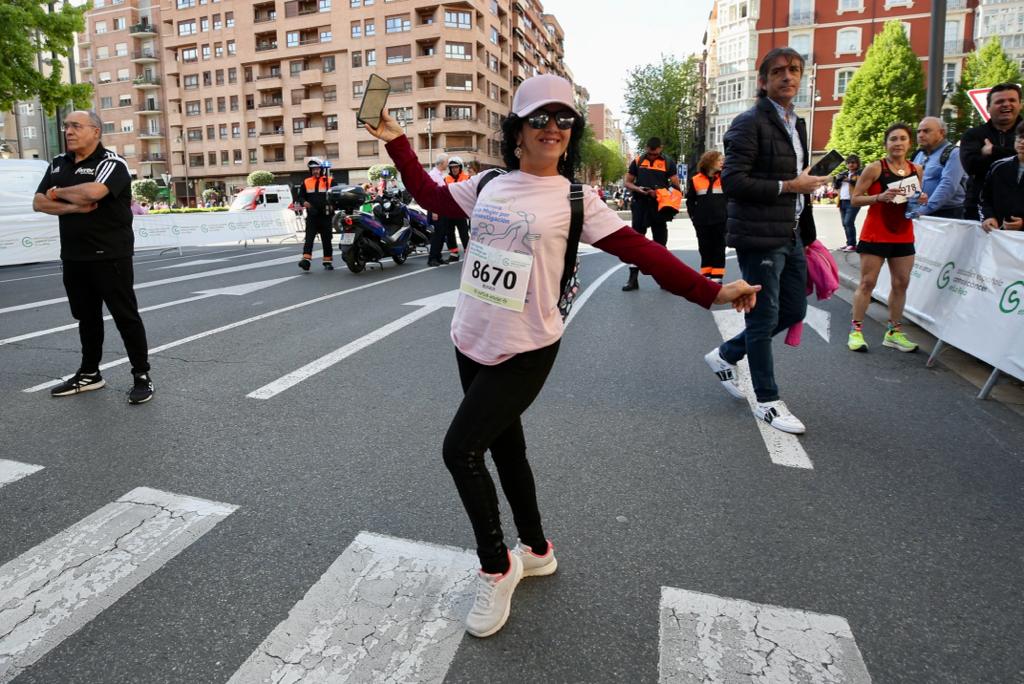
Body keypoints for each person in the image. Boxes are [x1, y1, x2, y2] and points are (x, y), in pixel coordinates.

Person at [363, 73, 759, 639]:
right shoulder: (489, 183)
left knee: (460, 450)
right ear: (517, 130)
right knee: (506, 446)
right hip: (469, 338)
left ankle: (497, 567)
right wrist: (396, 141)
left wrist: (711, 290)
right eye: (540, 119)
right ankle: (538, 547)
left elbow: (641, 250)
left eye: (564, 119)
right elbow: (431, 199)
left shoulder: (578, 199)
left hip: (527, 346)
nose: (554, 128)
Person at [702, 47, 829, 435]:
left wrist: (806, 225)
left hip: (790, 233)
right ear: (763, 82)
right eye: (778, 72)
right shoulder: (747, 123)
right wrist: (792, 185)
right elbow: (733, 181)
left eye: (794, 70)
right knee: (763, 318)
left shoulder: (798, 124)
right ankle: (768, 402)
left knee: (793, 311)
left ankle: (726, 354)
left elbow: (796, 182)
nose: (788, 77)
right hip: (759, 236)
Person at [32, 110, 154, 404]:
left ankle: (142, 376)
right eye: (66, 126)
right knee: (86, 318)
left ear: (96, 131)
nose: (68, 131)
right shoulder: (59, 162)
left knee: (125, 316)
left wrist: (59, 192)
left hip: (110, 254)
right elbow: (38, 202)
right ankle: (90, 374)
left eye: (76, 126)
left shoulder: (112, 162)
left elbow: (94, 192)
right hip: (74, 255)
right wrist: (73, 206)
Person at [847, 123, 928, 354]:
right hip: (876, 233)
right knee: (867, 283)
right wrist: (879, 197)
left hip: (903, 233)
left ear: (909, 143)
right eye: (893, 139)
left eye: (903, 138)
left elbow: (912, 200)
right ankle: (856, 331)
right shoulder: (875, 168)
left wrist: (920, 199)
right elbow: (855, 199)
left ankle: (893, 333)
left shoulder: (917, 169)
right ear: (886, 144)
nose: (898, 143)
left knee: (901, 283)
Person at [621, 137, 681, 291]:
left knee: (660, 244)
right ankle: (632, 280)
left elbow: (676, 187)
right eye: (650, 152)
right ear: (646, 148)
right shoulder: (638, 161)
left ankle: (664, 279)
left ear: (660, 148)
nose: (652, 155)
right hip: (640, 204)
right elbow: (627, 182)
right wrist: (638, 189)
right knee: (635, 243)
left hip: (659, 206)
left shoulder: (668, 162)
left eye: (655, 153)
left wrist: (659, 192)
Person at [960, 82, 1023, 221]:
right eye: (1000, 101)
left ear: (1020, 104)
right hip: (978, 211)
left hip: (1019, 213)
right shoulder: (973, 134)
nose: (1006, 104)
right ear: (988, 107)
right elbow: (971, 166)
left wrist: (993, 150)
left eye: (1012, 100)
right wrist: (1014, 155)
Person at [685, 150, 727, 283]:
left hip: (721, 221)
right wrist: (693, 217)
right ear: (710, 162)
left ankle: (717, 278)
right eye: (720, 160)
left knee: (719, 248)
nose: (722, 162)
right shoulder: (695, 180)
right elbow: (690, 201)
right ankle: (706, 277)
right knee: (704, 249)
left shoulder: (724, 178)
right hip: (702, 222)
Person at [912, 117, 965, 219]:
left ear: (942, 133)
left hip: (947, 216)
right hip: (920, 212)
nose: (921, 135)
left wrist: (923, 210)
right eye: (918, 132)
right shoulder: (918, 154)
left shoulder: (954, 153)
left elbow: (947, 185)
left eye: (926, 131)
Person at [980, 121, 1024, 233]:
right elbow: (984, 198)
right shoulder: (998, 166)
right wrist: (989, 217)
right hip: (999, 236)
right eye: (1019, 137)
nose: (1022, 142)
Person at [426, 156, 470, 267]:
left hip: (460, 210)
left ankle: (468, 255)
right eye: (451, 167)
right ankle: (453, 254)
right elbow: (434, 194)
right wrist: (435, 211)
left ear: (460, 167)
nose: (454, 169)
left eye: (456, 167)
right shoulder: (444, 178)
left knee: (463, 233)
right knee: (448, 233)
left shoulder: (467, 177)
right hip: (447, 211)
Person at [297, 158, 334, 271]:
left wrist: (332, 206)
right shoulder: (306, 181)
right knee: (309, 238)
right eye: (313, 169)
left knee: (326, 239)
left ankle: (327, 261)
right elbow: (300, 196)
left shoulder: (330, 181)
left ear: (321, 169)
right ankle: (306, 260)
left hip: (326, 215)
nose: (315, 171)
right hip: (312, 214)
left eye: (317, 169)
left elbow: (336, 195)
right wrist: (304, 202)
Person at [833, 154, 862, 251]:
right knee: (844, 223)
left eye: (853, 162)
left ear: (857, 164)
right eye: (849, 163)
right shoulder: (843, 173)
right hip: (842, 201)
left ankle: (853, 244)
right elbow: (836, 186)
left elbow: (861, 184)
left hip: (853, 201)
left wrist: (849, 180)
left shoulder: (860, 173)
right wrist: (837, 180)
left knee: (848, 222)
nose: (851, 165)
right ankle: (849, 243)